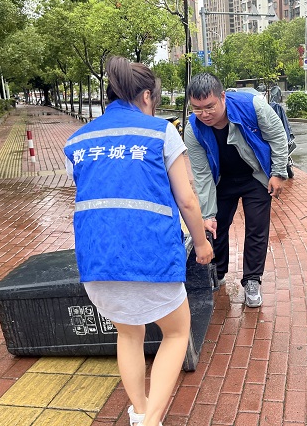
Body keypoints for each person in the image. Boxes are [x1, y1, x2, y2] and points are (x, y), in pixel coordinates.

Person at [63, 56, 213, 426]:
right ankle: (150, 421)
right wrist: (203, 243)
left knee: (129, 335)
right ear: (146, 95)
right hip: (151, 259)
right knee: (177, 333)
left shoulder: (78, 140)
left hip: (98, 262)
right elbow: (188, 199)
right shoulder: (160, 132)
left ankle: (140, 412)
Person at [184, 72, 288, 308]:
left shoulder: (251, 106)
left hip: (256, 175)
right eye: (197, 108)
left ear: (222, 97)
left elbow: (278, 136)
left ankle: (252, 280)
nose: (204, 114)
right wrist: (207, 214)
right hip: (222, 180)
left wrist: (278, 173)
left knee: (256, 228)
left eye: (209, 107)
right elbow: (201, 174)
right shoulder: (193, 129)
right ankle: (217, 272)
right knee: (215, 225)